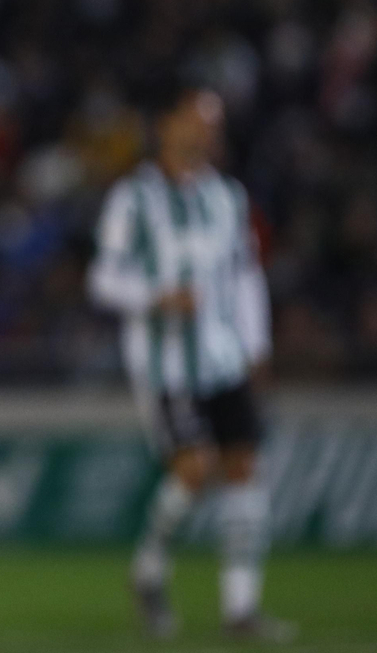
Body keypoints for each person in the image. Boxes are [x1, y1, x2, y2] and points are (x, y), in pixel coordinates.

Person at [88, 81, 295, 641]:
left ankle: (241, 608)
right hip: (167, 367)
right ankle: (150, 570)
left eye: (213, 122)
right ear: (167, 124)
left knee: (244, 469)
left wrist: (257, 347)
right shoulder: (134, 198)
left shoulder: (227, 197)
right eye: (196, 119)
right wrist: (155, 297)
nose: (206, 131)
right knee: (195, 469)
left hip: (224, 357)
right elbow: (103, 278)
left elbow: (245, 276)